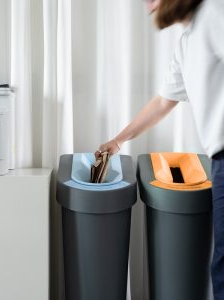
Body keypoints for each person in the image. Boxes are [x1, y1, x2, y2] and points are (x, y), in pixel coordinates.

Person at [96, 0, 224, 298]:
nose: (148, 3)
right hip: (218, 160)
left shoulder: (215, 13)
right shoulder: (186, 42)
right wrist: (118, 140)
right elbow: (163, 102)